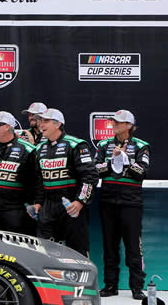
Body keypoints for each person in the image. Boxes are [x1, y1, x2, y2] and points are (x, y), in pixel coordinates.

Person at [94, 110, 149, 300]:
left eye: (118, 122)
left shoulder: (142, 146)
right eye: (113, 122)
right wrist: (112, 162)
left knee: (133, 246)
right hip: (108, 200)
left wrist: (125, 161)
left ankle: (136, 287)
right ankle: (111, 285)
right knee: (110, 245)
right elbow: (95, 170)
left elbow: (141, 172)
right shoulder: (103, 144)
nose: (114, 124)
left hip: (131, 202)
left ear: (129, 125)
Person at [32, 108, 98, 257]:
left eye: (46, 121)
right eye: (40, 121)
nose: (41, 124)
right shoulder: (40, 149)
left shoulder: (76, 145)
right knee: (46, 251)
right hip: (49, 205)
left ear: (58, 123)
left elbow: (90, 176)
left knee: (77, 251)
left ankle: (81, 281)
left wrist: (80, 201)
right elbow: (39, 180)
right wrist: (38, 202)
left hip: (71, 204)